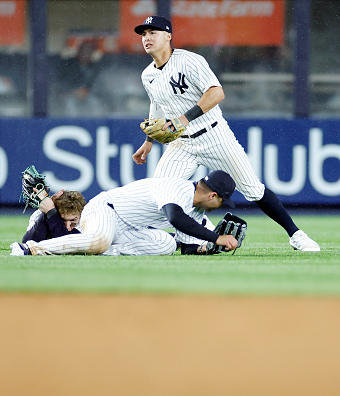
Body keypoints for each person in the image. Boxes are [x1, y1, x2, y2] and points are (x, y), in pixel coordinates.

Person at [131, 16, 320, 252]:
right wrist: (149, 142)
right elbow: (157, 105)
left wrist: (183, 118)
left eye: (153, 32)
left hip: (214, 136)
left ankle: (296, 235)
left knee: (253, 189)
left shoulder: (190, 61)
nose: (147, 38)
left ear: (168, 36)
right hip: (181, 144)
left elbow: (217, 93)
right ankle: (191, 242)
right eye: (144, 34)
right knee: (161, 192)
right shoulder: (147, 74)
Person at [10, 170, 239, 256]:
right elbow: (175, 218)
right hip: (107, 210)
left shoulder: (197, 210)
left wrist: (210, 248)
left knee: (167, 246)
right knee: (99, 240)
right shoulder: (176, 187)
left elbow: (187, 248)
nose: (221, 205)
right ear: (213, 195)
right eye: (222, 200)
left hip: (130, 229)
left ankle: (97, 252)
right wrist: (216, 236)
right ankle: (29, 249)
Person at [57, 40, 104, 117]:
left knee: (95, 103)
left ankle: (97, 124)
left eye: (89, 52)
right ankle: (72, 124)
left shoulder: (95, 68)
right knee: (69, 103)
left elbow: (99, 85)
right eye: (83, 51)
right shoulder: (69, 65)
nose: (85, 54)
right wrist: (73, 91)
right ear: (79, 52)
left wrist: (88, 92)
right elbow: (62, 82)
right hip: (71, 95)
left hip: (89, 96)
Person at [21, 189, 87, 243]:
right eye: (62, 220)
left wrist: (52, 213)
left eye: (73, 220)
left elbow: (70, 243)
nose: (68, 227)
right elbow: (28, 243)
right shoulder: (39, 214)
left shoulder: (86, 219)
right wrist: (48, 211)